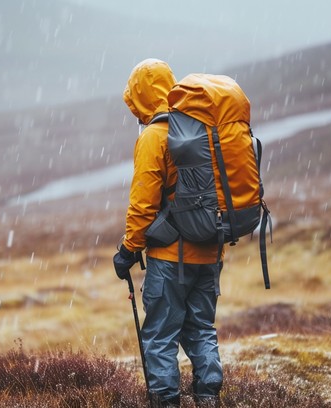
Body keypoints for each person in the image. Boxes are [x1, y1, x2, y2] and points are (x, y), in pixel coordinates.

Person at [113, 58, 223, 408]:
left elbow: (143, 204)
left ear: (141, 97)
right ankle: (209, 398)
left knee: (160, 335)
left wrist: (128, 250)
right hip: (210, 251)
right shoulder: (199, 128)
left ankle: (165, 401)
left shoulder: (154, 136)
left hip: (170, 259)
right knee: (202, 329)